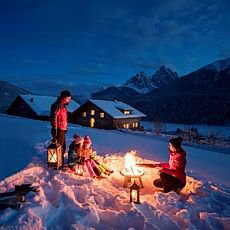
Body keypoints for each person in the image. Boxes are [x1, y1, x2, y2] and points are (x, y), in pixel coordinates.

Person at [50, 90, 72, 164]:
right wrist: (54, 129)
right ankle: (59, 163)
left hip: (62, 129)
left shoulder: (62, 106)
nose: (69, 100)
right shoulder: (57, 105)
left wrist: (64, 128)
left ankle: (60, 161)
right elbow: (54, 117)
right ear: (63, 98)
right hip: (58, 129)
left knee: (63, 146)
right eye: (68, 98)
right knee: (60, 146)